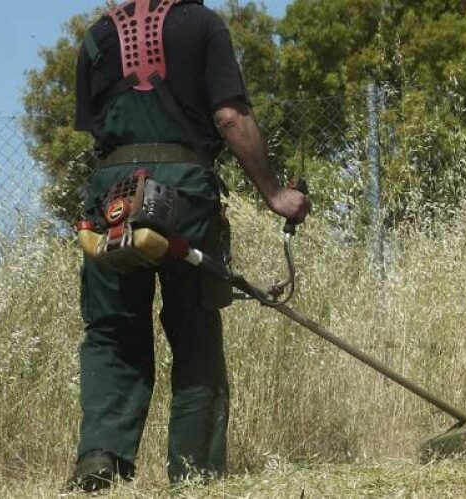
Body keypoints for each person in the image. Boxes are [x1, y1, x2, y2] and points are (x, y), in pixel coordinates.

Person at [69, 0, 310, 491]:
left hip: (113, 197)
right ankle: (195, 473)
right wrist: (275, 194)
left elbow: (97, 129)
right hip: (186, 193)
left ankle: (101, 458)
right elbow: (231, 117)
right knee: (194, 325)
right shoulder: (202, 24)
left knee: (112, 331)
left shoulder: (96, 36)